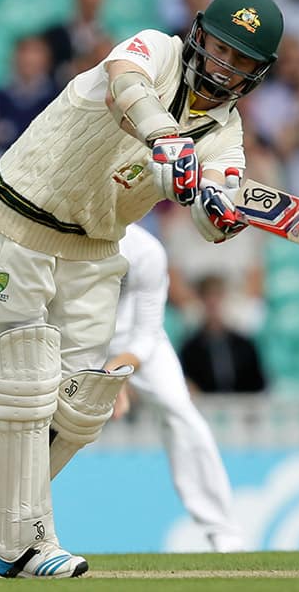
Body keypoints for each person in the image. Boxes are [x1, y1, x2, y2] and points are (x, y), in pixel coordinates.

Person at [0, 0, 284, 578]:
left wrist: (217, 210)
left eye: (242, 61)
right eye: (220, 49)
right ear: (199, 34)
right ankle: (27, 544)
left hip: (96, 244)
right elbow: (124, 83)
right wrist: (165, 137)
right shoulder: (156, 49)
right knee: (26, 378)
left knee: (82, 404)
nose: (224, 66)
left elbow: (216, 209)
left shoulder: (227, 134)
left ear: (257, 74)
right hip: (21, 214)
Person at [109, 223, 243, 551]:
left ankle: (223, 531)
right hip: (73, 343)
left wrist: (115, 374)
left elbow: (145, 334)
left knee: (181, 412)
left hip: (138, 343)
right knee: (36, 417)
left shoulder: (146, 250)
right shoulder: (62, 239)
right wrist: (101, 383)